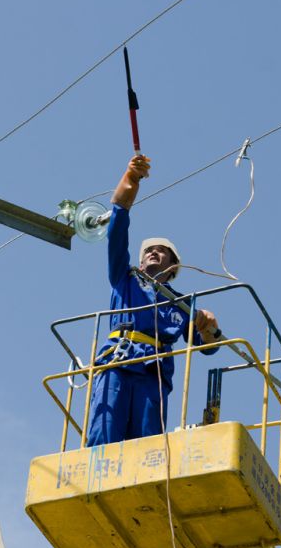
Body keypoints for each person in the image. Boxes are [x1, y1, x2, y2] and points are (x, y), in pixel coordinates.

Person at [86, 154, 221, 446]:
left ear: (173, 267)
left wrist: (208, 325)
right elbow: (118, 226)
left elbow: (206, 347)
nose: (153, 253)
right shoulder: (125, 277)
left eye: (162, 251)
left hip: (153, 371)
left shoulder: (181, 304)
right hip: (118, 362)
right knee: (104, 434)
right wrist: (130, 180)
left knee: (146, 445)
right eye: (150, 250)